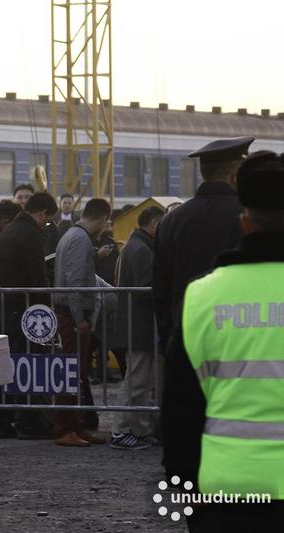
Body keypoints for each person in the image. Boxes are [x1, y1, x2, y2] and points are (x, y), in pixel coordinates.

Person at [163, 151, 284, 531]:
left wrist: (187, 501)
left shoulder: (200, 298)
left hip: (225, 494)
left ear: (245, 223)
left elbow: (179, 413)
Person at [153, 136, 253, 351]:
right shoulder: (249, 217)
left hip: (186, 339)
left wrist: (171, 342)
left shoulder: (170, 221)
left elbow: (161, 292)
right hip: (238, 341)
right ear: (235, 176)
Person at [0, 193, 58, 440]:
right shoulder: (30, 235)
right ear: (43, 213)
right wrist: (46, 308)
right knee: (26, 364)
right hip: (23, 309)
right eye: (47, 220)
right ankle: (28, 421)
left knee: (4, 365)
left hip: (4, 307)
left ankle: (1, 421)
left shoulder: (7, 232)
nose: (45, 225)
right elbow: (37, 277)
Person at [53, 198, 112, 447]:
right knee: (71, 372)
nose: (106, 227)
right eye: (107, 222)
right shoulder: (81, 240)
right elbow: (76, 282)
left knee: (75, 373)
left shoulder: (72, 235)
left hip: (70, 312)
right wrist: (80, 319)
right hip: (73, 315)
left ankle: (76, 426)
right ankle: (68, 429)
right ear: (102, 218)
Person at [110, 206, 164, 451]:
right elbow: (146, 289)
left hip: (136, 324)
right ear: (153, 223)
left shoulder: (133, 246)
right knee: (137, 379)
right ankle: (120, 430)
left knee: (142, 380)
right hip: (140, 325)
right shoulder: (142, 250)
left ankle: (140, 429)